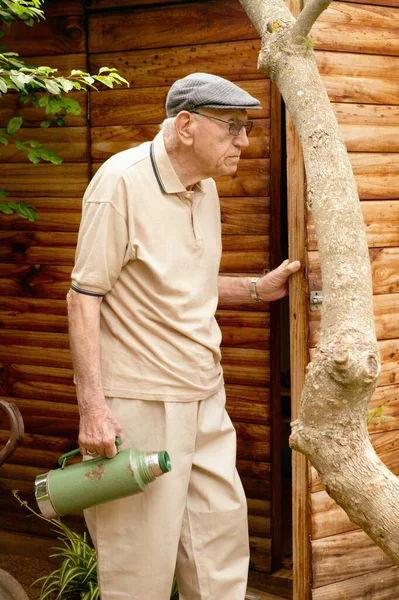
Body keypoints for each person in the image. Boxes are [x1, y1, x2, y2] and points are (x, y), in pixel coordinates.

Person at [67, 72, 300, 600]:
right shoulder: (120, 181)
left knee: (220, 553)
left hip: (205, 398)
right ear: (187, 125)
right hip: (140, 407)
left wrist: (257, 290)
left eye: (247, 127)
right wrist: (93, 409)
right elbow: (84, 296)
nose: (245, 141)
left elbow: (179, 283)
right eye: (234, 127)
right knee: (138, 571)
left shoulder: (205, 190)